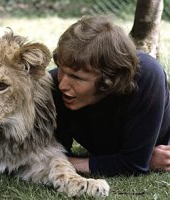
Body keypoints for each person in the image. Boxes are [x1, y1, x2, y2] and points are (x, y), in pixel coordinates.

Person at [50, 15, 170, 176]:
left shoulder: (146, 76)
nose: (63, 84)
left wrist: (134, 161)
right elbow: (53, 155)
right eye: (61, 70)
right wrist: (141, 160)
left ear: (109, 80)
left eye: (76, 77)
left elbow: (134, 165)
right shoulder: (53, 84)